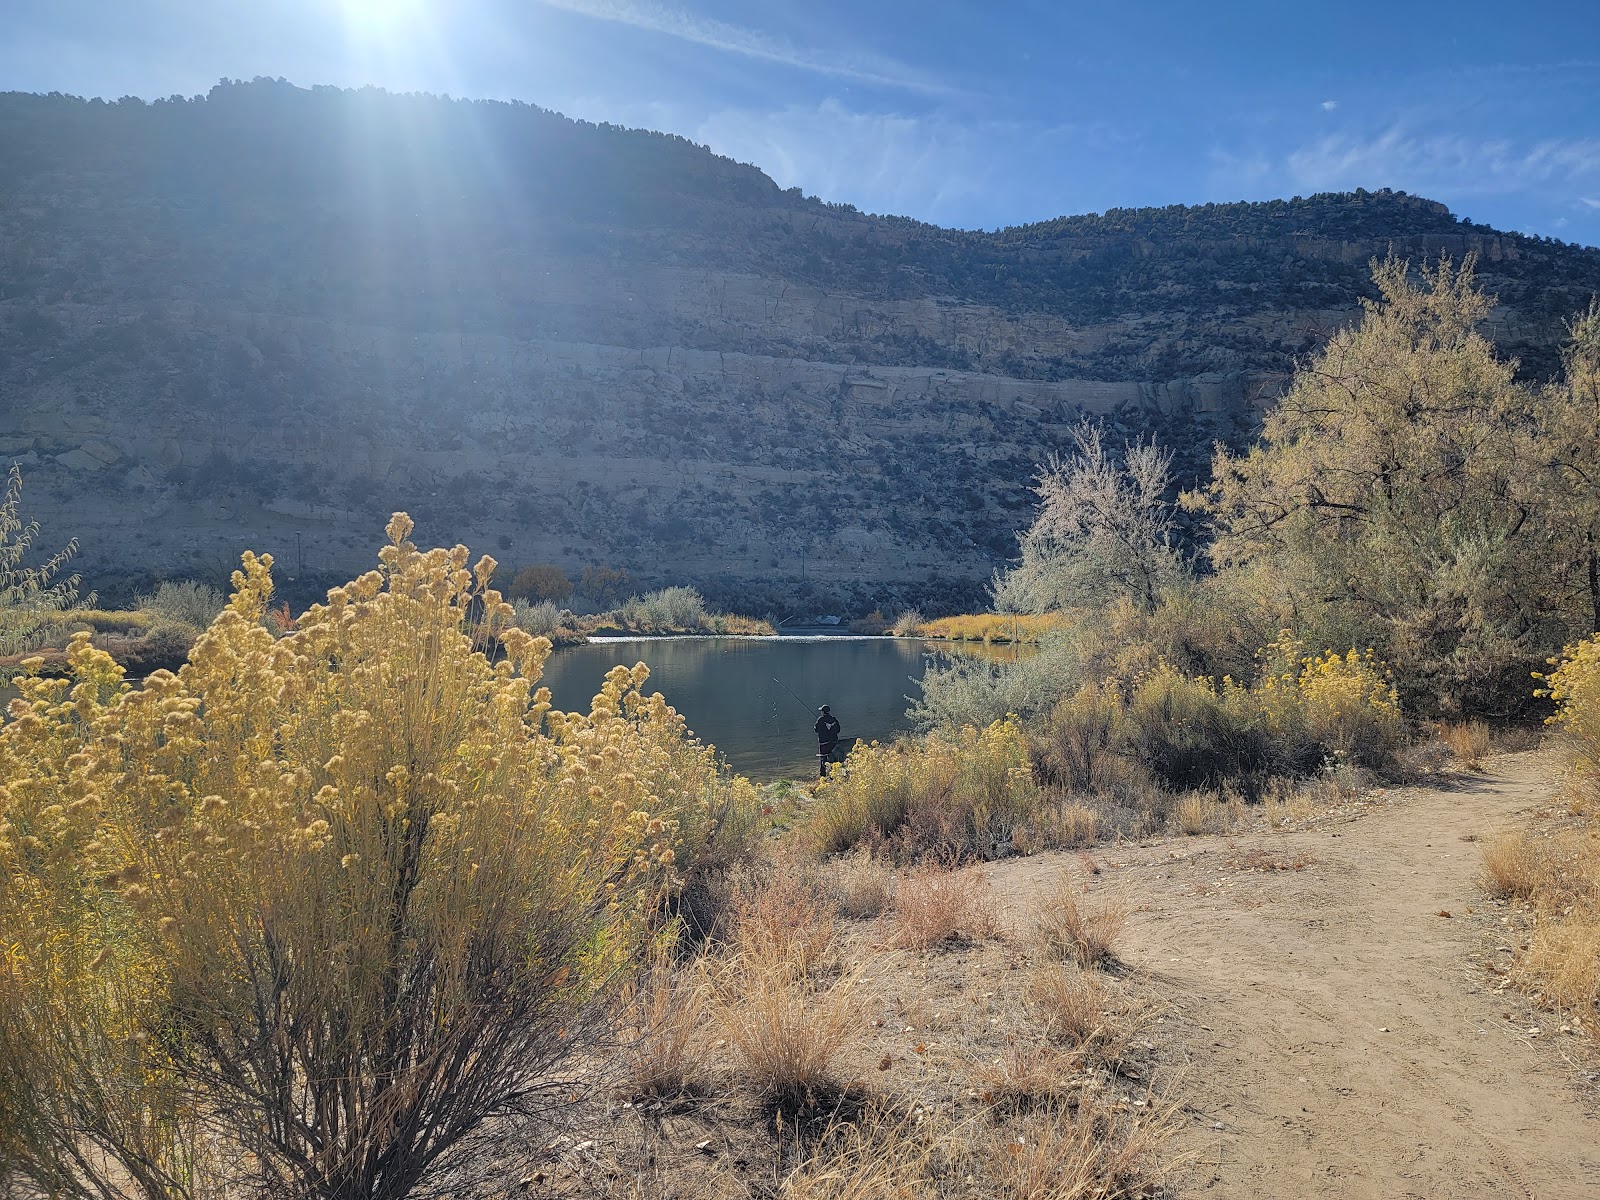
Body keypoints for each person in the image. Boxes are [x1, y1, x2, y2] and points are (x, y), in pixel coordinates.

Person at [814, 704, 841, 775]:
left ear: (823, 712)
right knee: (833, 757)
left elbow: (816, 730)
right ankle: (834, 773)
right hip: (833, 743)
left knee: (823, 758)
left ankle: (823, 774)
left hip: (824, 744)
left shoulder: (820, 720)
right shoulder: (834, 720)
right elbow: (838, 730)